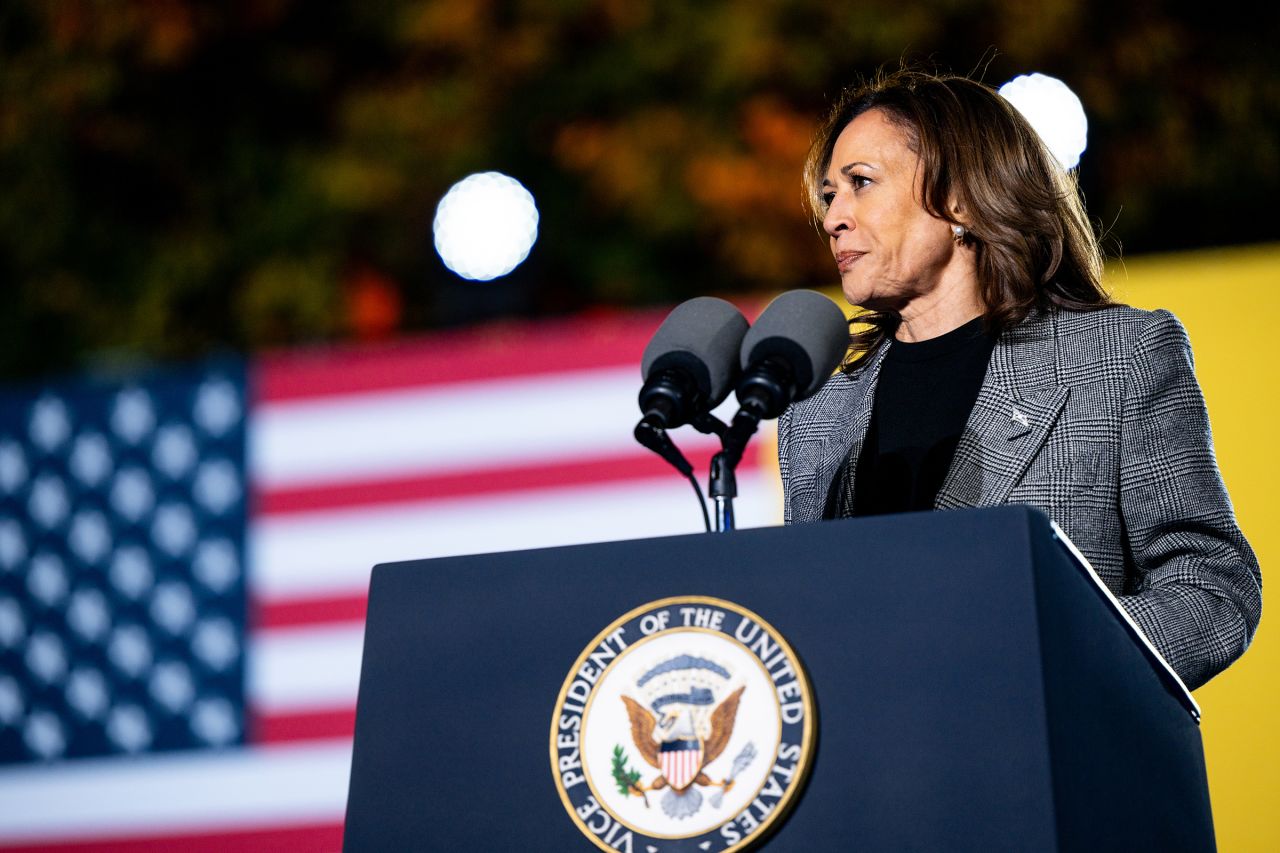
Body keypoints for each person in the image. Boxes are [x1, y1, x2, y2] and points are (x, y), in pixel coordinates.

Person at [776, 69, 1261, 691]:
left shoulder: (1117, 358)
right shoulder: (816, 413)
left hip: (1051, 759)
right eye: (827, 196)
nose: (834, 217)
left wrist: (1041, 660)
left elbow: (1210, 585)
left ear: (959, 200)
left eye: (860, 184)